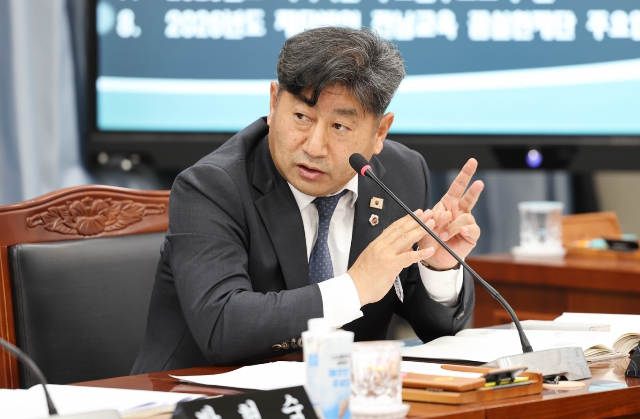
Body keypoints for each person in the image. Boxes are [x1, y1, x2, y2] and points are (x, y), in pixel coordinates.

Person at [131, 27, 483, 374]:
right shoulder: (212, 187)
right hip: (195, 396)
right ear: (273, 103)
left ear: (380, 132)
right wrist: (356, 287)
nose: (314, 147)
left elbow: (437, 332)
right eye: (301, 117)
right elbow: (223, 327)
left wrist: (438, 268)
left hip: (343, 397)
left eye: (339, 127)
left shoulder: (400, 175)